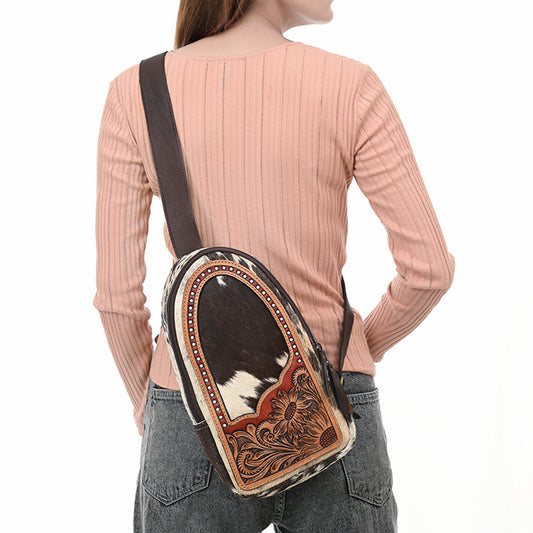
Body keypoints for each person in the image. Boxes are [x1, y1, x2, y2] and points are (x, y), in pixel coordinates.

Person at [93, 0, 455, 531]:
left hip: (193, 409)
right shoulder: (351, 85)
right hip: (333, 403)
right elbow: (430, 270)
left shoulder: (136, 92)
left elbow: (117, 298)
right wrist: (350, 354)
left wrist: (147, 403)